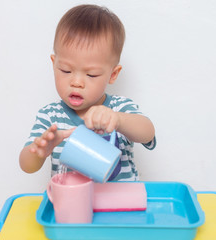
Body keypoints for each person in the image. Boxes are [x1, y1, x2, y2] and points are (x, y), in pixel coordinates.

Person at [19, 4, 156, 181]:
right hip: (74, 206)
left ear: (112, 74)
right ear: (54, 64)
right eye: (66, 71)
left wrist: (118, 120)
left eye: (91, 74)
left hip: (122, 205)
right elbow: (26, 166)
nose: (76, 82)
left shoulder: (119, 108)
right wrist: (39, 151)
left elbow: (148, 133)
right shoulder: (50, 117)